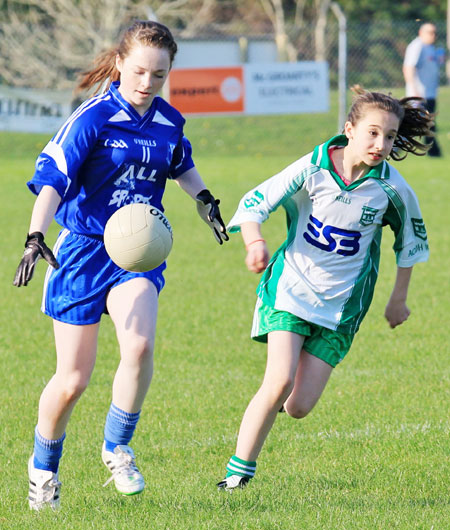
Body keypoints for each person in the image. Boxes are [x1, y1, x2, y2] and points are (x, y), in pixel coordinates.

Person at [13, 20, 228, 511]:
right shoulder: (93, 116)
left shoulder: (169, 120)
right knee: (73, 381)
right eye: (138, 72)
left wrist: (206, 199)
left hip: (139, 251)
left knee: (140, 344)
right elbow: (52, 178)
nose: (146, 83)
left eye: (158, 74)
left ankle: (117, 448)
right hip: (83, 251)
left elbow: (179, 165)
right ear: (119, 64)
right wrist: (35, 235)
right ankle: (42, 471)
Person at [217, 87, 431, 490]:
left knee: (297, 406)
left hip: (342, 309)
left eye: (388, 136)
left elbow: (411, 245)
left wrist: (398, 298)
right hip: (291, 289)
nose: (380, 144)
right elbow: (254, 203)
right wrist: (254, 242)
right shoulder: (312, 168)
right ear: (348, 129)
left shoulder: (392, 189)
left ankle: (273, 410)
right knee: (278, 380)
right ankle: (235, 478)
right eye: (371, 133)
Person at [403, 22, 444, 157]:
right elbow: (409, 67)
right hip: (419, 94)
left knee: (426, 124)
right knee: (414, 123)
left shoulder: (431, 48)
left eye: (435, 33)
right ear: (421, 33)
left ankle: (433, 151)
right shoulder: (417, 46)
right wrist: (414, 91)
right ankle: (433, 151)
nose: (433, 36)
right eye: (430, 32)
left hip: (430, 93)